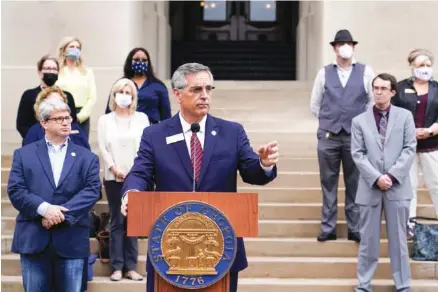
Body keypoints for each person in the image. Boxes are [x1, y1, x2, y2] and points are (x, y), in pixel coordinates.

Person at [120, 63, 279, 292]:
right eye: (196, 90)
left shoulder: (231, 132)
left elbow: (251, 172)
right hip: (168, 250)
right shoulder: (155, 134)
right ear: (177, 94)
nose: (204, 96)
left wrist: (263, 164)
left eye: (208, 89)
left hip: (220, 251)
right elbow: (140, 172)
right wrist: (132, 193)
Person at [7, 99, 101, 292]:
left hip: (71, 239)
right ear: (44, 123)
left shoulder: (87, 157)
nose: (66, 122)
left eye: (68, 118)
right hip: (34, 237)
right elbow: (16, 190)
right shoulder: (23, 155)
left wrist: (59, 215)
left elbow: (92, 190)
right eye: (59, 119)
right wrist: (45, 209)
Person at [351, 73, 416, 292]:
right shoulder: (359, 120)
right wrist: (377, 177)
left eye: (383, 88)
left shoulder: (405, 116)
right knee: (368, 241)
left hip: (397, 186)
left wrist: (392, 175)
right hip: (370, 187)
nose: (378, 92)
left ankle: (403, 284)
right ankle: (363, 284)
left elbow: (409, 148)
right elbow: (357, 154)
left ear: (392, 92)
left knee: (398, 240)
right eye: (375, 88)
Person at [310, 29, 375, 242]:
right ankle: (328, 228)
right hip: (329, 135)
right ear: (334, 48)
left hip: (355, 136)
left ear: (353, 47)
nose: (345, 47)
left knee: (354, 182)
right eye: (340, 44)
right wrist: (330, 119)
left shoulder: (366, 72)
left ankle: (354, 227)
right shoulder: (324, 73)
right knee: (328, 182)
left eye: (348, 43)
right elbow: (315, 104)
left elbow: (371, 102)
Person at [97, 78, 149, 281]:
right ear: (114, 95)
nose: (124, 96)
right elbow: (103, 147)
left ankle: (131, 266)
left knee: (133, 220)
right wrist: (114, 168)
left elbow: (146, 146)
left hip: (136, 177)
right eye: (121, 91)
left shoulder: (142, 118)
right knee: (117, 221)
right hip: (113, 177)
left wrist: (136, 172)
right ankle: (117, 266)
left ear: (134, 97)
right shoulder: (105, 120)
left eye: (128, 92)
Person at [392, 49, 438, 237]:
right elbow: (391, 115)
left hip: (432, 145)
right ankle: (408, 223)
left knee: (436, 182)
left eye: (428, 65)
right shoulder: (401, 89)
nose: (425, 69)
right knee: (408, 185)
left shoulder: (437, 88)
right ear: (411, 66)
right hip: (406, 147)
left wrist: (430, 131)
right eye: (420, 65)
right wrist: (408, 130)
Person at [16, 55, 77, 139]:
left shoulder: (67, 96)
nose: (51, 72)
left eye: (54, 69)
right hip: (35, 142)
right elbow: (22, 125)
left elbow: (73, 122)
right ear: (40, 73)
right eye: (48, 68)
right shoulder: (28, 95)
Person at [105, 47, 171, 124]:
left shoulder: (158, 86)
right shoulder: (121, 84)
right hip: (125, 128)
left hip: (151, 129)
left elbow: (166, 116)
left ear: (148, 63)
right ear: (130, 62)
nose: (140, 62)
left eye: (144, 60)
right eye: (136, 59)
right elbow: (110, 109)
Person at [23, 87, 90, 149]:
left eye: (61, 102)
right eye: (53, 103)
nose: (58, 106)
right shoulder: (34, 132)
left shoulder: (75, 129)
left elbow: (88, 157)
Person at [56, 36, 97, 139]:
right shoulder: (57, 71)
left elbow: (92, 97)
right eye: (72, 47)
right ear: (64, 50)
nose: (75, 49)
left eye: (78, 48)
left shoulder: (87, 72)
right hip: (60, 115)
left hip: (81, 117)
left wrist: (80, 116)